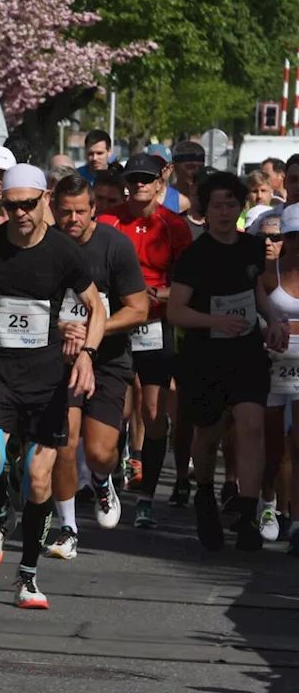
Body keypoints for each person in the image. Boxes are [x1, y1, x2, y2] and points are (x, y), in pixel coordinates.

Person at [0, 164, 105, 609]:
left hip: (48, 381)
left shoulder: (64, 252)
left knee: (38, 477)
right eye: (12, 206)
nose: (22, 213)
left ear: (45, 198)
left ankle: (27, 576)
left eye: (29, 204)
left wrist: (87, 353)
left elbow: (96, 308)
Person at [167, 171, 287, 552]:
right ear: (206, 207)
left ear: (240, 208)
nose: (224, 212)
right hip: (205, 355)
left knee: (251, 424)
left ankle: (248, 514)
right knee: (209, 435)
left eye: (231, 205)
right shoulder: (194, 256)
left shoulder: (251, 248)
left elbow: (256, 292)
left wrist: (273, 321)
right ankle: (204, 493)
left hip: (247, 352)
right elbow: (175, 311)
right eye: (217, 205)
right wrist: (215, 321)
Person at [44, 175, 149, 559]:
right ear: (53, 209)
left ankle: (104, 479)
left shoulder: (115, 246)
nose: (71, 219)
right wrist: (59, 326)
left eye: (80, 212)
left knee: (101, 450)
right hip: (59, 358)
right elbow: (29, 304)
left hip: (108, 358)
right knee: (65, 443)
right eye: (65, 212)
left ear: (94, 211)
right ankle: (67, 528)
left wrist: (94, 327)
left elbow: (138, 308)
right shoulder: (44, 244)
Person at [96, 154, 193, 525]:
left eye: (145, 179)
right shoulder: (108, 221)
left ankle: (147, 497)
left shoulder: (174, 226)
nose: (139, 184)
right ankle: (108, 475)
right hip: (117, 322)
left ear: (159, 182)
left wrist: (160, 296)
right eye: (133, 178)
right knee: (113, 405)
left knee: (153, 412)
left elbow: (187, 285)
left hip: (156, 325)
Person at [258, 209, 296, 544]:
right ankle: (267, 500)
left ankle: (295, 518)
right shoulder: (270, 275)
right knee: (274, 450)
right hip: (273, 370)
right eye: (293, 236)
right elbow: (251, 316)